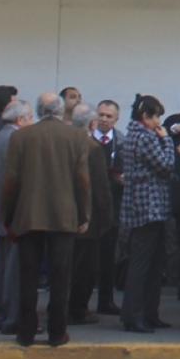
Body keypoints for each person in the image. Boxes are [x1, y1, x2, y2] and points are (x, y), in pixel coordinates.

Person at [1, 92, 93, 348]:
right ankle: (56, 331)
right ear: (61, 110)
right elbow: (83, 179)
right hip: (64, 214)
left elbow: (11, 180)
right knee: (61, 276)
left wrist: (7, 213)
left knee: (28, 276)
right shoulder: (76, 136)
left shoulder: (21, 136)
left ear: (39, 111)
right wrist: (84, 213)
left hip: (28, 214)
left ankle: (26, 331)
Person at [120, 95, 176, 333]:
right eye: (157, 117)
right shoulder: (147, 137)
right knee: (145, 264)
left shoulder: (132, 135)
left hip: (138, 205)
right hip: (151, 206)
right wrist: (168, 141)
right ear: (146, 117)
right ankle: (136, 315)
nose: (159, 123)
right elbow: (166, 165)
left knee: (148, 263)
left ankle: (146, 313)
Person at [66, 104, 116, 325]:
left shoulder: (64, 143)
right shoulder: (92, 148)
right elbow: (100, 187)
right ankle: (78, 309)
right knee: (85, 267)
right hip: (88, 217)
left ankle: (63, 305)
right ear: (92, 123)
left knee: (66, 264)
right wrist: (107, 216)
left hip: (64, 213)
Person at [0, 98, 32, 331]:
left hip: (0, 210)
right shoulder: (16, 138)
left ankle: (1, 312)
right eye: (30, 117)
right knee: (14, 269)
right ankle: (13, 317)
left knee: (2, 265)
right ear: (21, 119)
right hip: (14, 212)